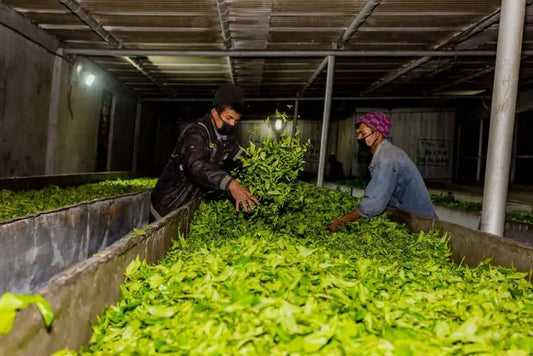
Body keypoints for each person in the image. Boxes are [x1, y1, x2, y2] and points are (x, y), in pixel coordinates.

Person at [150, 84, 259, 220]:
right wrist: (231, 184)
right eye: (229, 118)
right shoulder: (196, 133)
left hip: (188, 207)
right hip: (168, 206)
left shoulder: (228, 140)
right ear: (214, 112)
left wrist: (261, 170)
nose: (232, 124)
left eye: (236, 121)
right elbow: (196, 165)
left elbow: (243, 160)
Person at [328, 112, 436, 231]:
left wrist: (343, 221)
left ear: (377, 134)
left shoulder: (386, 158)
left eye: (363, 133)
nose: (359, 138)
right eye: (358, 133)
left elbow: (375, 202)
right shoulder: (384, 154)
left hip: (421, 223)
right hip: (408, 217)